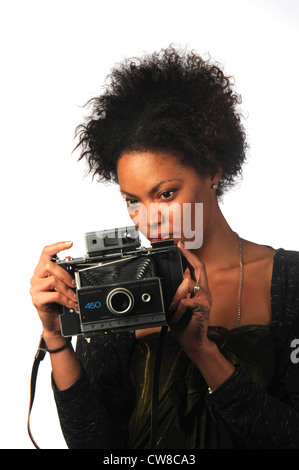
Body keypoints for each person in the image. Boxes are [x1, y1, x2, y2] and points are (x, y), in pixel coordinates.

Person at [30, 46, 299, 449]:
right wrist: (55, 337)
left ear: (212, 169)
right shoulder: (115, 288)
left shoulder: (289, 282)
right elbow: (97, 446)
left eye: (166, 193)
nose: (149, 219)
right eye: (132, 200)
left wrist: (202, 350)